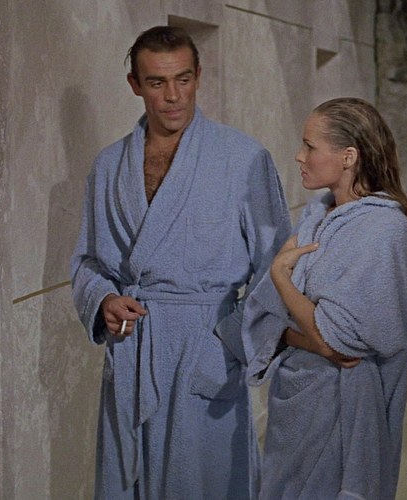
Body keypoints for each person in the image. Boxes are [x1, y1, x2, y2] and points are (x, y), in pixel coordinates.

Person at [70, 26, 291, 499]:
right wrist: (104, 299)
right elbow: (88, 260)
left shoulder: (243, 159)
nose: (173, 96)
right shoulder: (108, 167)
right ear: (135, 84)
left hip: (205, 349)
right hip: (134, 351)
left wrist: (229, 339)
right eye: (157, 82)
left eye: (183, 79)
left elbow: (277, 267)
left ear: (198, 77)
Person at [241, 97, 407, 499]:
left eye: (310, 146)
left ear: (348, 157)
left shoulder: (383, 230)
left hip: (342, 406)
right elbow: (271, 316)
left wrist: (281, 279)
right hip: (297, 399)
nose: (299, 156)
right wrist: (298, 335)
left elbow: (338, 342)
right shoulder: (317, 217)